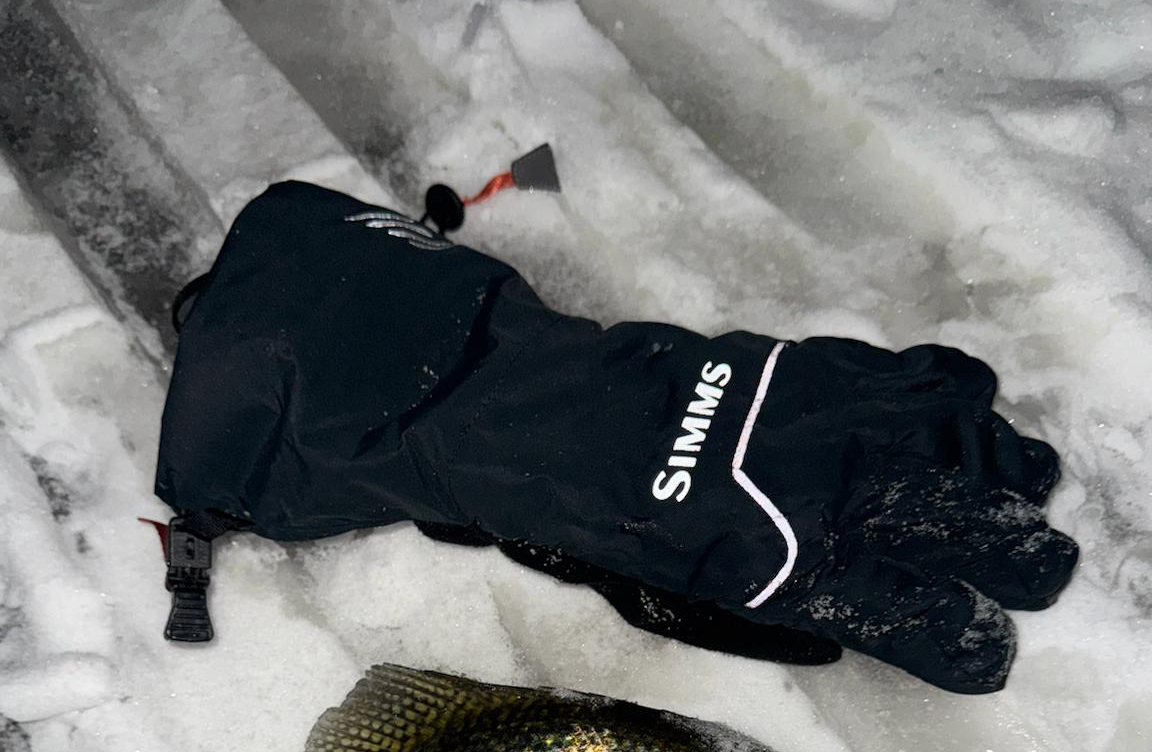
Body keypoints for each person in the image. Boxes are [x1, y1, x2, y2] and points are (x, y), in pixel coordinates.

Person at [155, 179, 1077, 693]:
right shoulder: (272, 403)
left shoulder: (312, 329)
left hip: (562, 410)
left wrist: (667, 464)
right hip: (548, 413)